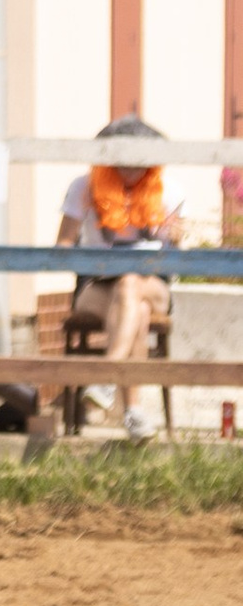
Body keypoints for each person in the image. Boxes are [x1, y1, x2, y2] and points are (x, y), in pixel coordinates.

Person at [55, 114, 180, 436]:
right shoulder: (84, 186)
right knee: (133, 305)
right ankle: (134, 413)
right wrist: (94, 260)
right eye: (122, 159)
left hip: (153, 283)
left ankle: (106, 378)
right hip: (99, 282)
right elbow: (63, 244)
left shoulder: (166, 190)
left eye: (137, 161)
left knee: (133, 285)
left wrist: (175, 235)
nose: (130, 168)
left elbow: (176, 254)